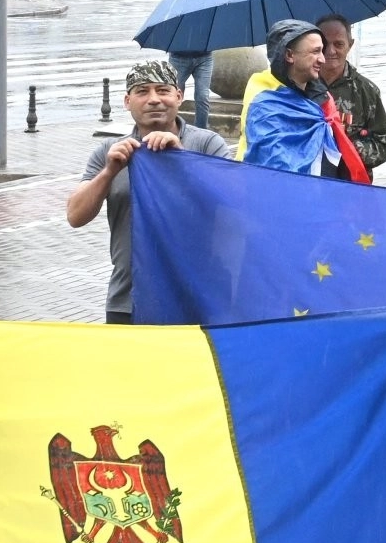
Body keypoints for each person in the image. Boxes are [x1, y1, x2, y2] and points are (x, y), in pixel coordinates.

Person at [68, 61, 235, 323]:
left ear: (178, 96)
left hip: (196, 298)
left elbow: (232, 206)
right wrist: (109, 172)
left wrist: (182, 159)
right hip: (128, 301)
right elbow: (75, 216)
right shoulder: (109, 151)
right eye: (142, 91)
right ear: (127, 101)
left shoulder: (206, 144)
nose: (154, 99)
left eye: (163, 90)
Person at [243, 20, 368, 180]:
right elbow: (274, 170)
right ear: (289, 55)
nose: (322, 59)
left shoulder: (323, 100)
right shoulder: (265, 107)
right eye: (315, 52)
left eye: (321, 52)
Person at [314, 14, 386, 176]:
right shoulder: (301, 86)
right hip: (309, 181)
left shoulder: (367, 91)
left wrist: (347, 147)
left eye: (338, 44)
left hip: (351, 184)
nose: (330, 51)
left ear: (350, 45)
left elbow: (385, 144)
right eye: (324, 44)